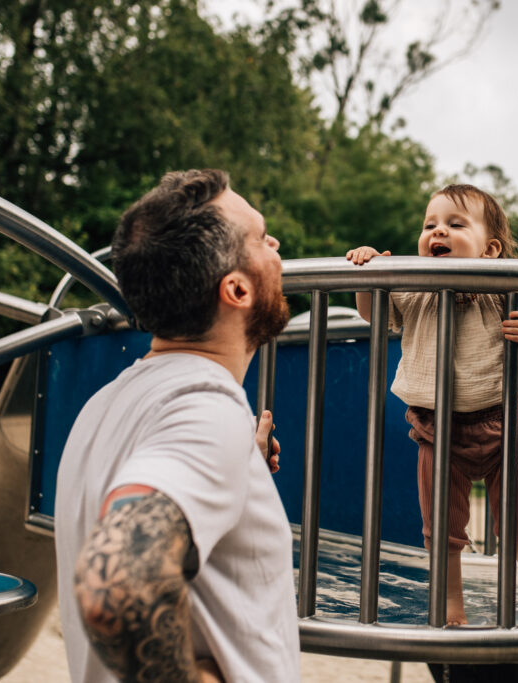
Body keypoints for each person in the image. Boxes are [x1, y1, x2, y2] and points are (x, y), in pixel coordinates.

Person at [55, 169, 299, 682]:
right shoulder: (207, 411)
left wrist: (239, 468)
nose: (275, 244)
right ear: (236, 289)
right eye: (259, 237)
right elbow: (117, 586)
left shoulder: (105, 404)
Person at [346, 184, 518, 626]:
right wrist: (369, 276)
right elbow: (373, 313)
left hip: (500, 422)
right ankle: (450, 602)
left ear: (490, 250)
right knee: (442, 529)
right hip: (435, 428)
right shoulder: (415, 289)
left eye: (454, 224)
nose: (437, 232)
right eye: (430, 226)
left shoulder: (502, 288)